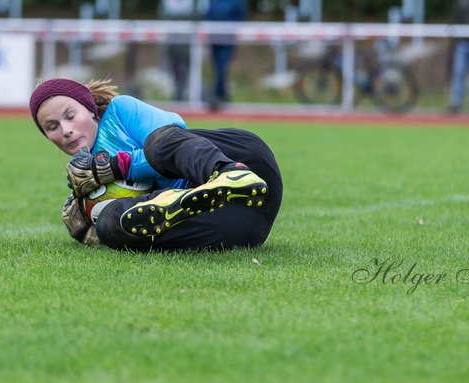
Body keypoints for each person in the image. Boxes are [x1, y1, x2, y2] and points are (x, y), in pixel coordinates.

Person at [29, 77, 282, 252]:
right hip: (245, 225)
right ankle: (179, 201)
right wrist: (90, 225)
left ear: (91, 109)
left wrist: (119, 166)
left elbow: (174, 138)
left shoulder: (120, 110)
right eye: (52, 127)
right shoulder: (85, 180)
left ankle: (229, 174)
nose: (66, 131)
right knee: (110, 224)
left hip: (245, 159)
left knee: (160, 142)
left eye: (70, 116)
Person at [202, 0, 246, 108]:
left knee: (222, 67)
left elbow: (241, 17)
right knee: (216, 67)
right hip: (214, 38)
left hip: (228, 39)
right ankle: (223, 95)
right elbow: (207, 16)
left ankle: (215, 95)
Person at [157, 0, 195, 101]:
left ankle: (182, 92)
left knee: (184, 68)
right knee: (172, 67)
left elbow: (191, 15)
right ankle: (177, 92)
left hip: (184, 42)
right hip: (171, 40)